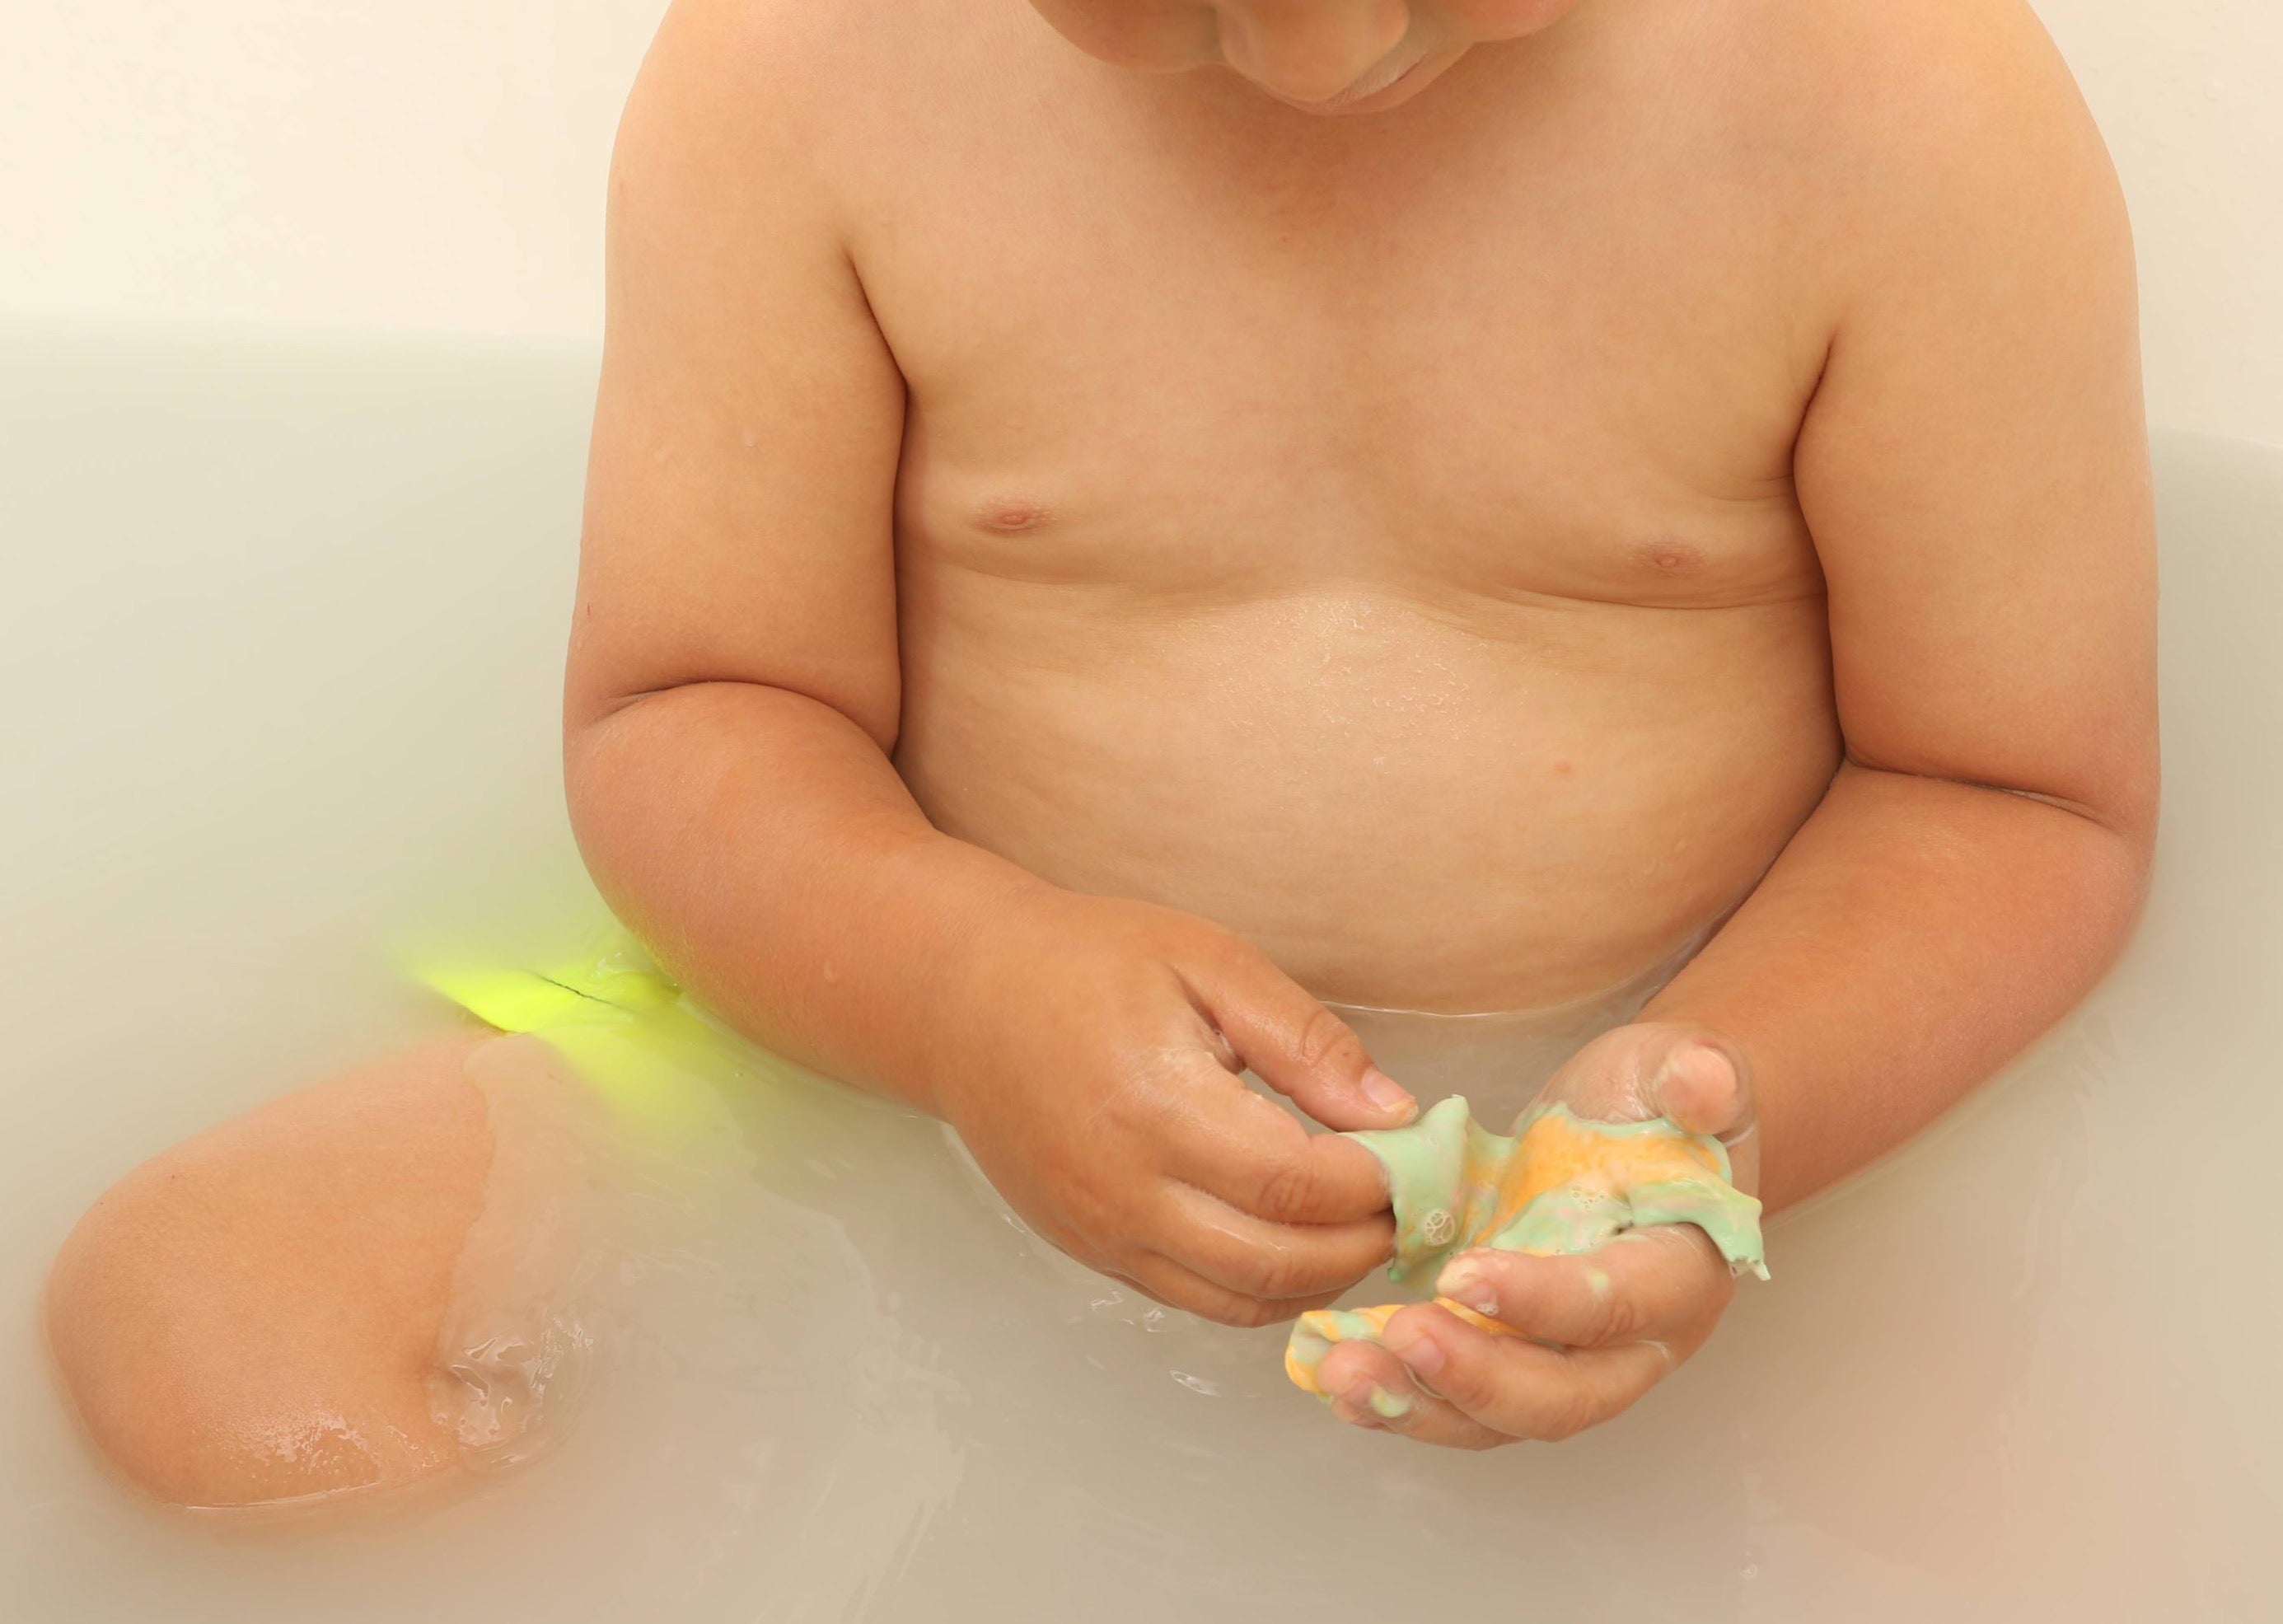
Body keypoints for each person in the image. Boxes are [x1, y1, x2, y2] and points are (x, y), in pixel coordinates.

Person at [46, 0, 2156, 1495]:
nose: (1323, 51)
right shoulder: (809, 63)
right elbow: (696, 710)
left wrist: (1712, 1123)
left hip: (1692, 1082)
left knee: (2027, 1508)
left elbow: (2010, 792)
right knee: (206, 1352)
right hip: (842, 1012)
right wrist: (955, 992)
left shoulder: (1900, 91)